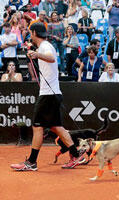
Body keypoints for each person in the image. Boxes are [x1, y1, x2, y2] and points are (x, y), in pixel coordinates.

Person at [10, 23, 85, 171]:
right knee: (56, 127)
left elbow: (51, 58)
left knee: (37, 127)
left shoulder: (46, 47)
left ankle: (31, 162)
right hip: (52, 93)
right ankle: (76, 155)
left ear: (34, 32)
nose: (29, 34)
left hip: (48, 95)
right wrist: (34, 51)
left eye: (30, 32)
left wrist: (37, 54)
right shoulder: (43, 46)